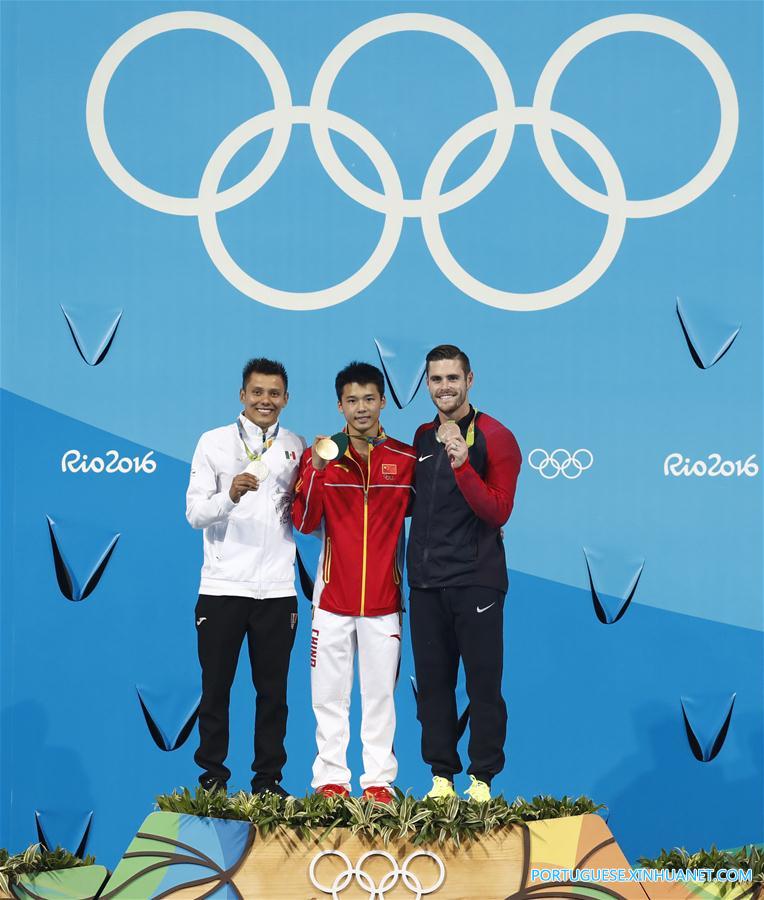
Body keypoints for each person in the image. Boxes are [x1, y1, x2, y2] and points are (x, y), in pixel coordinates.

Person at [292, 362, 416, 802]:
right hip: (332, 599)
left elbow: (433, 516)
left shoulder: (404, 460)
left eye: (369, 399)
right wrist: (321, 469)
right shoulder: (320, 455)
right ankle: (331, 780)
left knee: (381, 696)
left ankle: (379, 783)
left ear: (383, 401)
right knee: (329, 698)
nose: (361, 408)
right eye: (351, 400)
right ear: (339, 404)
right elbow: (305, 522)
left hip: (384, 601)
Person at [186, 357, 305, 797]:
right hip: (222, 588)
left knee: (273, 695)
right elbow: (195, 514)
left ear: (286, 399)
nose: (265, 401)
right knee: (215, 690)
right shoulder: (213, 443)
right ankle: (213, 780)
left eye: (274, 393)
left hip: (277, 590)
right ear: (242, 395)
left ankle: (268, 782)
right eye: (257, 392)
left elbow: (305, 513)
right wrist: (229, 495)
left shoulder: (295, 445)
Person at [407, 344, 522, 803]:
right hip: (427, 583)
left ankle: (482, 779)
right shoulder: (420, 437)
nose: (444, 388)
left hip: (477, 580)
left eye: (452, 378)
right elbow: (410, 505)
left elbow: (498, 511)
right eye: (436, 380)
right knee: (433, 685)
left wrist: (461, 466)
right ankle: (440, 777)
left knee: (482, 684)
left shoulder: (497, 436)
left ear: (469, 380)